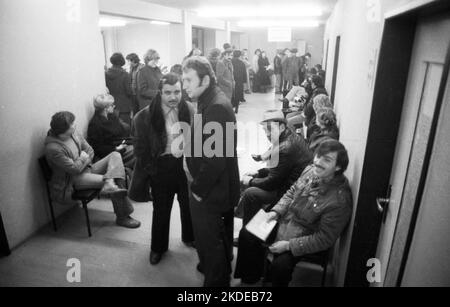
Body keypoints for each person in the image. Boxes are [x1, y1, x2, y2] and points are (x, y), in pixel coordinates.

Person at [234, 140, 353, 286]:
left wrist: (289, 246)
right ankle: (251, 278)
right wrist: (276, 212)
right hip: (285, 220)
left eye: (326, 160)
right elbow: (291, 192)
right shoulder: (311, 170)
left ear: (338, 167)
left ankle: (271, 274)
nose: (318, 162)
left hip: (304, 237)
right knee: (247, 233)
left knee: (280, 266)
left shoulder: (339, 200)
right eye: (318, 156)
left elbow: (325, 238)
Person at [182, 56, 240, 287]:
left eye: (188, 79)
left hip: (210, 188)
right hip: (213, 184)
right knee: (219, 233)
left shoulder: (216, 106)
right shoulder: (207, 100)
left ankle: (216, 281)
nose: (184, 85)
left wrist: (198, 189)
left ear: (205, 79)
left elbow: (216, 158)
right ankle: (217, 266)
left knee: (209, 238)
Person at [129, 73, 195, 265]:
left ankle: (189, 237)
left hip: (184, 165)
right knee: (161, 210)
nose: (173, 97)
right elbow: (140, 150)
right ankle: (158, 248)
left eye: (177, 92)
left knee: (187, 205)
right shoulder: (144, 117)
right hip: (161, 167)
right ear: (160, 92)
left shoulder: (189, 109)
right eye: (168, 92)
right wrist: (151, 172)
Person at [45, 111, 141, 228]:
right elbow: (74, 170)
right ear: (64, 129)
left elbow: (90, 150)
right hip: (72, 180)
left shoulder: (73, 134)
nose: (75, 124)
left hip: (87, 168)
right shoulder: (53, 148)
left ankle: (109, 183)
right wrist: (83, 158)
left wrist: (82, 160)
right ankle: (122, 217)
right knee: (116, 179)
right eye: (72, 123)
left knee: (115, 155)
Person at [236, 110, 312, 228]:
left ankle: (250, 232)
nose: (267, 134)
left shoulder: (285, 147)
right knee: (249, 181)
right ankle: (242, 217)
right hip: (290, 183)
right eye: (265, 130)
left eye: (270, 129)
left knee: (250, 193)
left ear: (281, 127)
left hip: (290, 192)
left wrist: (251, 181)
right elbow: (279, 170)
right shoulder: (288, 138)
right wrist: (258, 173)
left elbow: (272, 183)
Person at [87, 94, 135, 169]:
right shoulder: (95, 124)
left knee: (142, 146)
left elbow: (121, 131)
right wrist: (116, 148)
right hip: (111, 152)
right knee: (138, 152)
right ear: (106, 108)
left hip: (121, 144)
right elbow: (98, 148)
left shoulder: (112, 116)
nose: (114, 106)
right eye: (112, 105)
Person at [105, 53, 133, 125]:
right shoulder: (125, 74)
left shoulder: (106, 74)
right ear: (122, 61)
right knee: (125, 128)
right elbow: (129, 92)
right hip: (124, 106)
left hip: (110, 105)